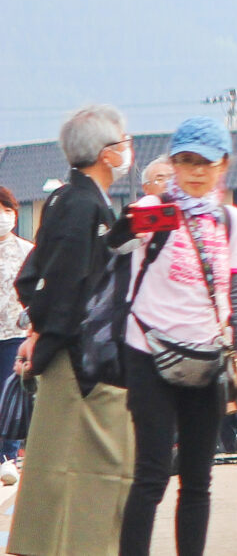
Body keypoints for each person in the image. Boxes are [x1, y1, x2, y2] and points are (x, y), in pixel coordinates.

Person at [117, 116, 237, 556]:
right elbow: (112, 247)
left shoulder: (230, 220)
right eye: (186, 161)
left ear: (224, 166)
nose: (196, 171)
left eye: (206, 163)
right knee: (152, 474)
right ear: (173, 164)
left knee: (198, 478)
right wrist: (136, 221)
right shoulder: (153, 213)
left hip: (207, 357)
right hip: (148, 351)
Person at [8, 103, 137, 556]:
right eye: (124, 144)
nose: (129, 151)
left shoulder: (76, 200)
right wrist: (46, 329)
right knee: (88, 470)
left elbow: (44, 273)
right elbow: (60, 282)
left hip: (80, 351)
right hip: (81, 359)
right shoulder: (80, 203)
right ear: (105, 152)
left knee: (66, 470)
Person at [0, 186, 28, 482]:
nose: (4, 217)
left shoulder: (26, 250)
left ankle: (8, 455)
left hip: (14, 333)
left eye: (8, 210)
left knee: (8, 396)